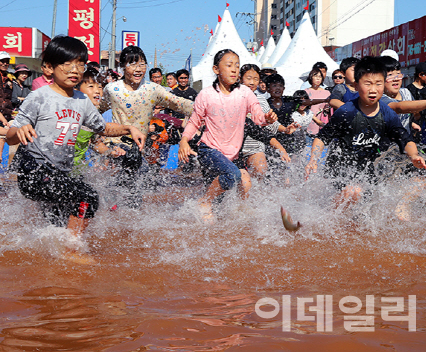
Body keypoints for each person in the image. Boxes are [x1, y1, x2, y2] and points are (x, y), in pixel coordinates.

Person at [6, 36, 144, 248]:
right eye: (67, 63)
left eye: (80, 64)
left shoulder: (81, 100)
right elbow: (10, 135)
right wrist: (20, 130)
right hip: (33, 170)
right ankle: (73, 247)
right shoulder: (39, 97)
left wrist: (128, 128)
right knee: (88, 196)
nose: (74, 70)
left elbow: (103, 128)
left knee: (57, 226)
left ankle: (48, 254)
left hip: (58, 174)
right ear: (50, 67)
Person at [305, 56, 426, 212]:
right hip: (340, 165)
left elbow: (405, 139)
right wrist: (313, 159)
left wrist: (414, 156)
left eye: (378, 84)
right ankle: (327, 218)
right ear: (356, 86)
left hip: (367, 166)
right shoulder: (347, 112)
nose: (373, 89)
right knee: (352, 193)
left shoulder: (387, 114)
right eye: (368, 84)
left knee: (370, 206)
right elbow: (322, 138)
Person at [178, 49, 277, 221]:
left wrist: (267, 119)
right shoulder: (206, 94)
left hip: (231, 155)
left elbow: (257, 116)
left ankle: (236, 215)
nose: (234, 70)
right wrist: (184, 141)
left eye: (237, 66)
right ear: (216, 69)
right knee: (232, 176)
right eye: (229, 65)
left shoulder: (245, 93)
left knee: (242, 185)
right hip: (208, 150)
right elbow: (194, 122)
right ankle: (204, 202)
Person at [100, 45, 194, 208]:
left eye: (142, 64)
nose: (138, 69)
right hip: (116, 144)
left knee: (135, 187)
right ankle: (115, 203)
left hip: (142, 145)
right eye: (132, 64)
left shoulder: (152, 89)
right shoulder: (112, 89)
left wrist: (207, 108)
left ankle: (129, 213)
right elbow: (96, 110)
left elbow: (178, 103)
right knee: (125, 170)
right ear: (122, 66)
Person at [238, 63, 290, 178]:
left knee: (261, 169)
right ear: (240, 79)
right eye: (248, 78)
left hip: (255, 143)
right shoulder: (232, 97)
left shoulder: (260, 99)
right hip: (234, 144)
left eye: (256, 79)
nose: (252, 82)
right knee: (236, 177)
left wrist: (286, 129)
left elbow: (271, 124)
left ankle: (254, 193)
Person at [305, 68, 330, 140]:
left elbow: (330, 108)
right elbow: (304, 109)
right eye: (315, 76)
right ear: (311, 77)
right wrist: (316, 120)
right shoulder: (306, 92)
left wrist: (327, 109)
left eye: (320, 76)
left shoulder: (327, 92)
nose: (318, 78)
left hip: (323, 125)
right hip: (309, 125)